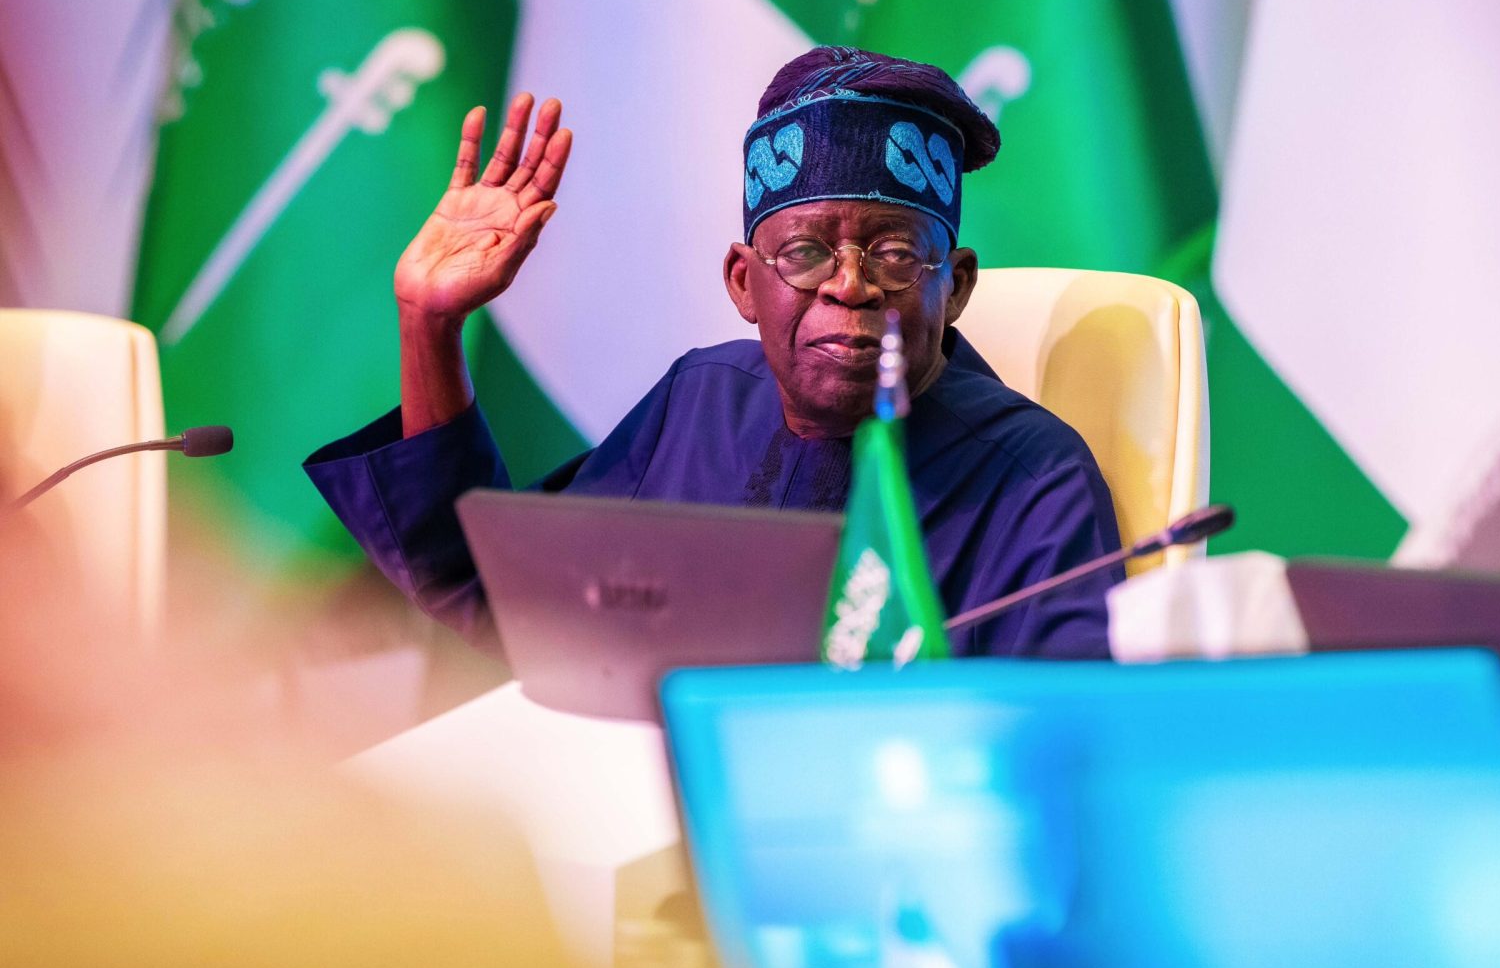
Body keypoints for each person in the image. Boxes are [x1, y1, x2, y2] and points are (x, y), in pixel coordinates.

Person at [306, 46, 1123, 658]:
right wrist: (429, 324)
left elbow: (1068, 744)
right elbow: (508, 608)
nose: (850, 286)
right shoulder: (700, 401)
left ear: (958, 284)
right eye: (805, 253)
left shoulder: (1033, 474)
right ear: (743, 282)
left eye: (896, 255)